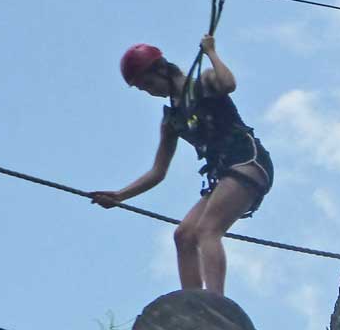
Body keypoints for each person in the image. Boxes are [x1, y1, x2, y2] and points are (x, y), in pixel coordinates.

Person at [90, 37, 272, 297]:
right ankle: (193, 304)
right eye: (143, 89)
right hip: (225, 174)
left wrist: (211, 52)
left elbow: (229, 84)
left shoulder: (204, 83)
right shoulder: (172, 121)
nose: (149, 91)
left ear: (162, 69)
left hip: (246, 161)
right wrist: (120, 196)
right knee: (184, 235)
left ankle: (214, 303)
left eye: (149, 83)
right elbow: (158, 172)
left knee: (207, 230)